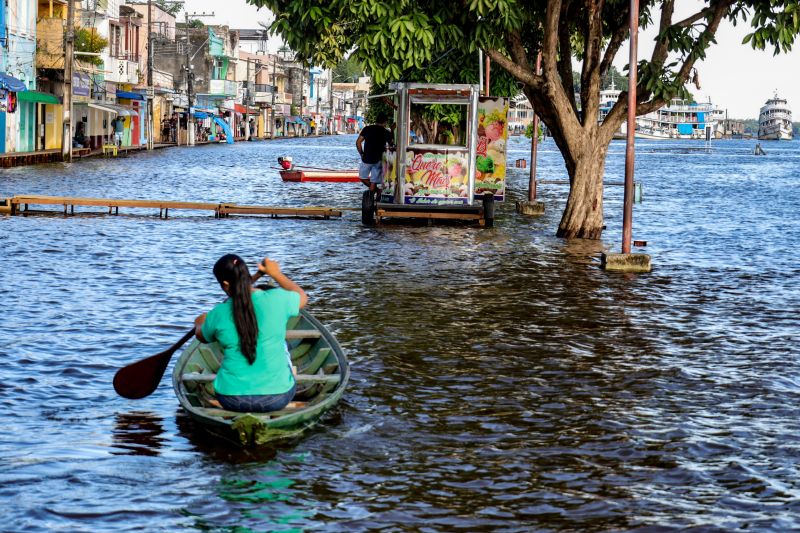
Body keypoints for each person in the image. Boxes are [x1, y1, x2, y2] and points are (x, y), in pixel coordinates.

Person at [194, 255, 308, 413]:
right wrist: (275, 273)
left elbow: (201, 336)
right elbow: (302, 296)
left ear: (225, 285)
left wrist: (200, 322)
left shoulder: (217, 313)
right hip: (276, 398)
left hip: (230, 399)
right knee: (282, 344)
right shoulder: (278, 299)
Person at [356, 112, 394, 192]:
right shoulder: (385, 132)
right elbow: (392, 144)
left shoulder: (367, 129)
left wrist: (361, 153)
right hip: (379, 160)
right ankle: (376, 191)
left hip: (367, 158)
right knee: (374, 182)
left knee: (363, 178)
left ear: (376, 120)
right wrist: (392, 130)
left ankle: (375, 191)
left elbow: (358, 142)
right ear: (385, 122)